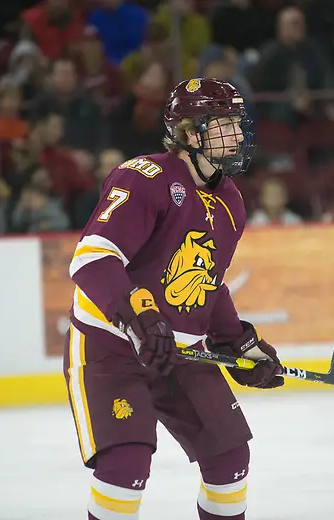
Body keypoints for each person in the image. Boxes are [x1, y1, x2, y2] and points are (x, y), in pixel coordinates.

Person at [64, 78, 284, 520]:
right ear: (188, 132)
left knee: (229, 460)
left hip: (180, 353)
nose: (238, 135)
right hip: (111, 347)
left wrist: (239, 342)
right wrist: (139, 316)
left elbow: (208, 280)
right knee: (124, 468)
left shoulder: (230, 200)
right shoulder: (144, 178)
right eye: (224, 124)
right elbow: (91, 259)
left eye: (237, 124)